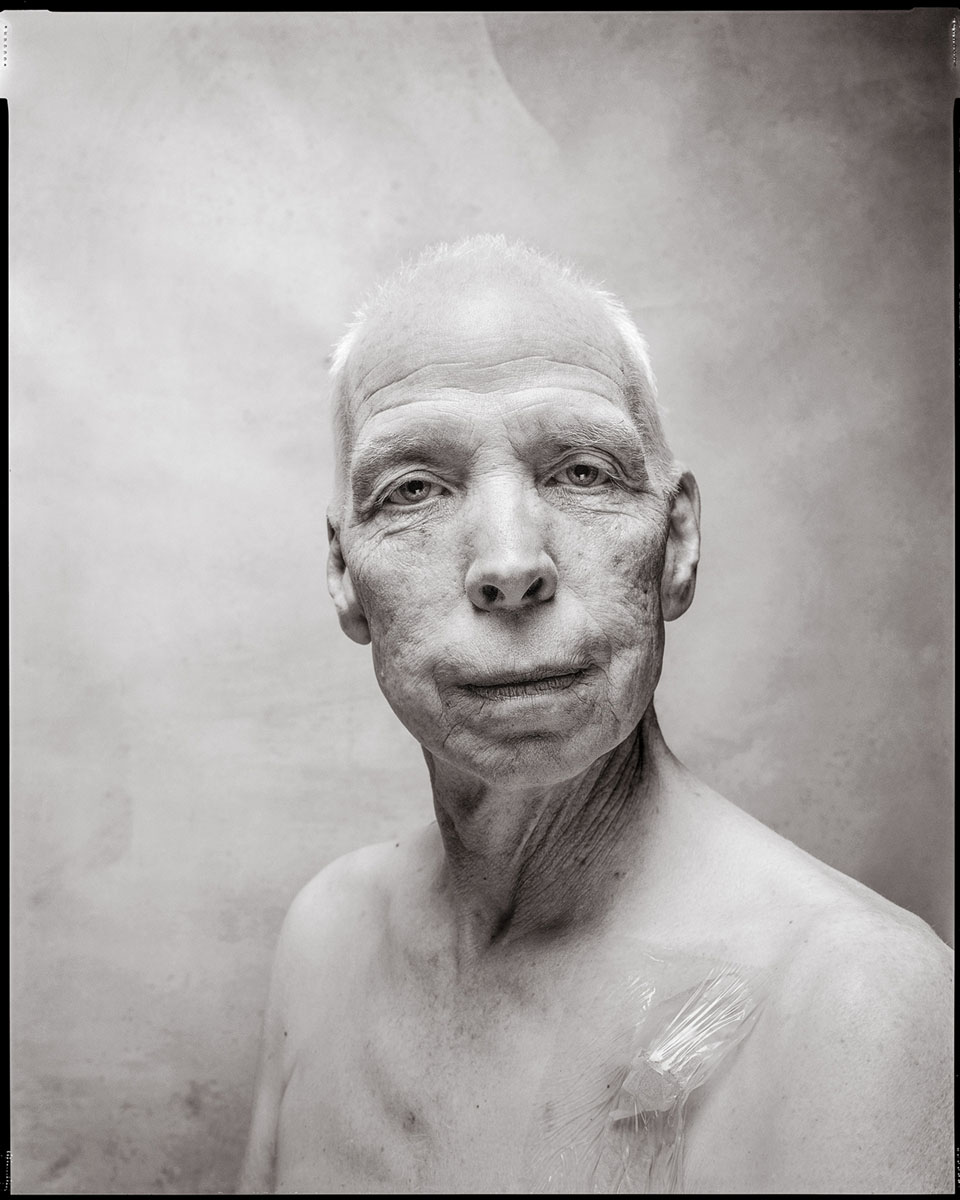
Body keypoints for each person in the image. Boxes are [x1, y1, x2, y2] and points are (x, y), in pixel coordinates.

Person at [238, 236, 952, 1194]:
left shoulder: (859, 1010)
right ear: (343, 573)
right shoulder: (324, 941)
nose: (510, 564)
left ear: (677, 542)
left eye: (581, 472)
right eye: (414, 488)